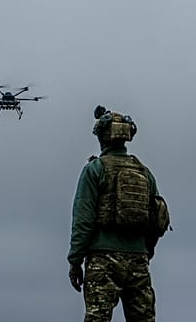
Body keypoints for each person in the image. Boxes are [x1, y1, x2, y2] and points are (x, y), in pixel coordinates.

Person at [68, 105, 169, 322]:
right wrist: (144, 251)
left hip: (102, 259)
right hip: (138, 259)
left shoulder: (94, 170)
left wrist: (75, 260)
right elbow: (158, 218)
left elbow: (83, 220)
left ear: (102, 137)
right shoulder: (143, 172)